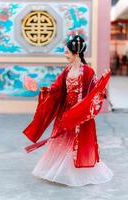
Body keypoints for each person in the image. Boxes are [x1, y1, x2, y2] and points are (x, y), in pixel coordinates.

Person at [23, 35, 114, 187]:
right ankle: (60, 170)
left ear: (76, 53)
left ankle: (77, 174)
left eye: (67, 52)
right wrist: (46, 90)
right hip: (65, 113)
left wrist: (101, 85)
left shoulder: (88, 72)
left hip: (79, 114)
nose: (65, 55)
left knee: (76, 143)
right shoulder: (67, 70)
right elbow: (57, 88)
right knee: (62, 142)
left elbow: (94, 92)